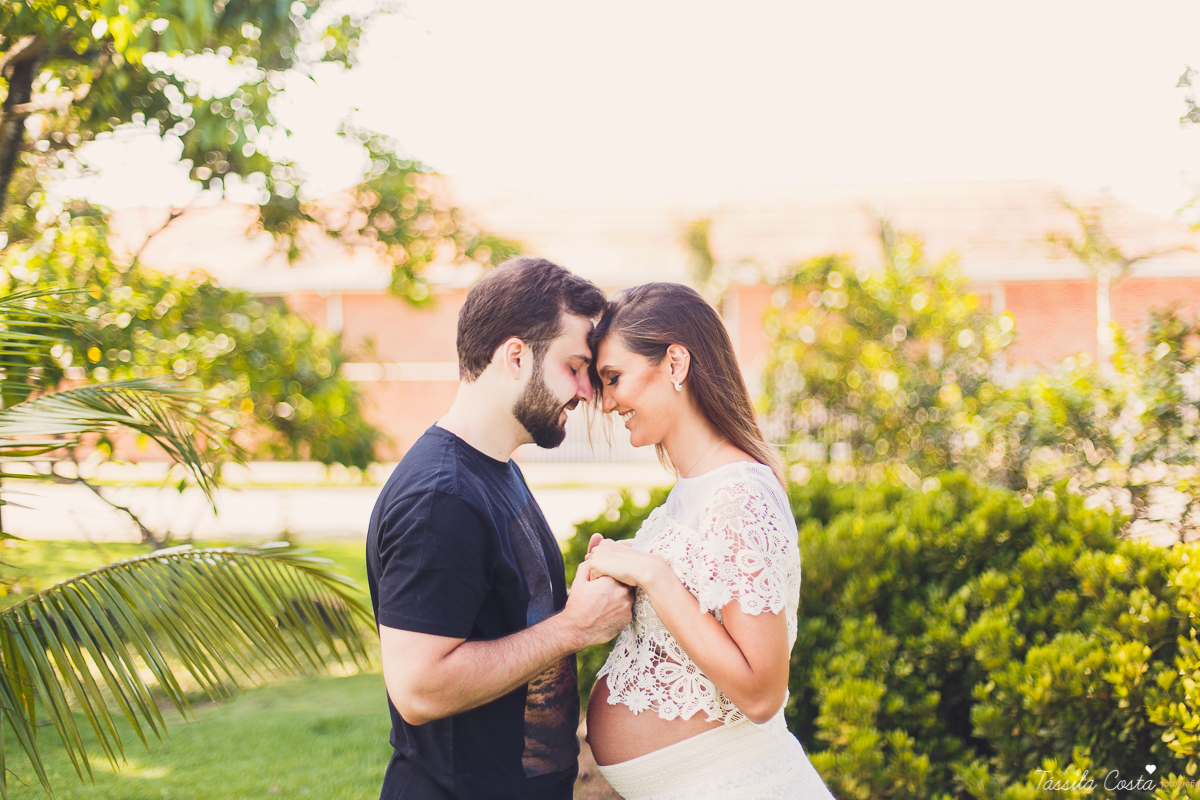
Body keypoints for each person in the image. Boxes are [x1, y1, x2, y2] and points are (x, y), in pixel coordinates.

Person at [366, 257, 634, 800]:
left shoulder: (494, 469)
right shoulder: (440, 497)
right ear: (516, 356)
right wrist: (576, 627)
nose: (588, 392)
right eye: (575, 366)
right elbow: (418, 688)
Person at [582, 283, 835, 799]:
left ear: (675, 363)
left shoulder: (740, 494)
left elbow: (762, 694)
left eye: (613, 378)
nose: (606, 402)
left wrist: (651, 573)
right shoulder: (692, 491)